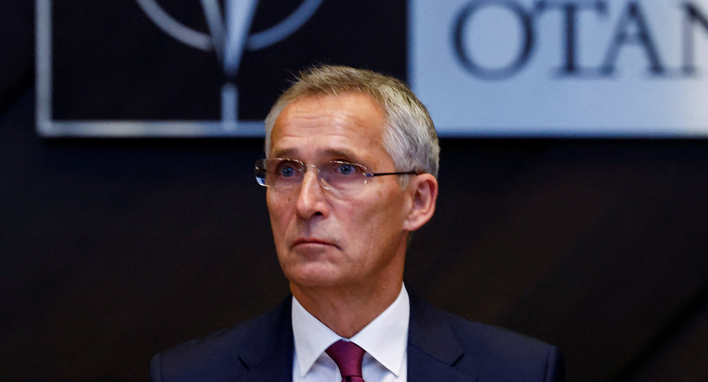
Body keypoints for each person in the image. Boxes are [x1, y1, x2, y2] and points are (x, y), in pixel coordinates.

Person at [151, 65, 564, 382]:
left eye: (344, 169)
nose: (306, 203)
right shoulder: (189, 375)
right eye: (287, 171)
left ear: (418, 200)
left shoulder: (519, 372)